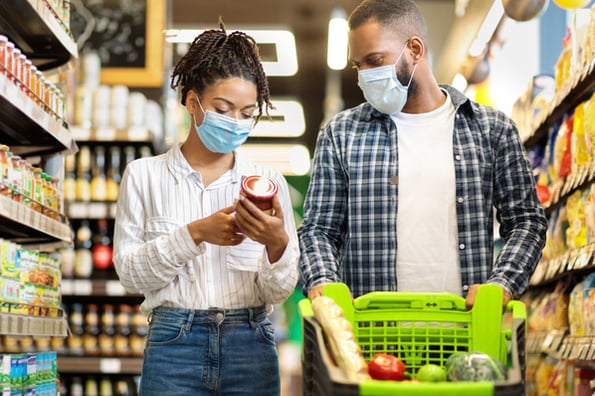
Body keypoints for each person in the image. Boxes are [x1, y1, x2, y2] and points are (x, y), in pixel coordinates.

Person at [298, 0, 548, 309]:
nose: (364, 75)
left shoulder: (491, 130)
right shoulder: (341, 133)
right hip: (372, 335)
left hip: (463, 332)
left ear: (415, 49)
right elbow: (318, 230)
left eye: (375, 60)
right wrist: (323, 280)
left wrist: (502, 284)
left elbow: (526, 221)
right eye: (358, 65)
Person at [113, 21, 299, 396]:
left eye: (247, 113)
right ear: (193, 101)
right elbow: (131, 277)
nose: (235, 122)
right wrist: (194, 234)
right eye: (223, 108)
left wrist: (277, 245)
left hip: (251, 343)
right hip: (173, 346)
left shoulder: (268, 184)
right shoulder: (143, 176)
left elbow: (278, 291)